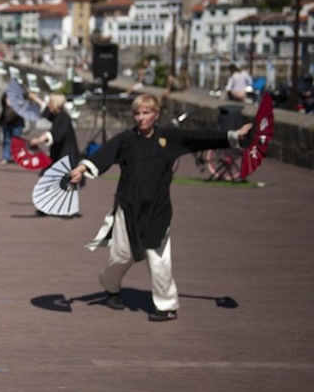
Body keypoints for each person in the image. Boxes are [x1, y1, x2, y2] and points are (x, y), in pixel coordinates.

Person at [68, 93, 252, 322]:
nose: (141, 118)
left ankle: (166, 306)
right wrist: (82, 169)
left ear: (156, 115)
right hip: (128, 207)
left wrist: (234, 136)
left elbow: (200, 138)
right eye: (137, 113)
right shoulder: (126, 140)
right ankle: (110, 287)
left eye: (146, 113)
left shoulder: (169, 138)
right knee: (122, 256)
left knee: (159, 258)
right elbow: (103, 155)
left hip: (158, 210)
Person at [28, 92, 80, 168]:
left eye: (50, 102)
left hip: (66, 158)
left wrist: (39, 140)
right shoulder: (58, 115)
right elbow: (45, 109)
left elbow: (57, 134)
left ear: (56, 104)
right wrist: (35, 99)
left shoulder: (64, 118)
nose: (49, 105)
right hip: (60, 156)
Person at [0, 91, 25, 165]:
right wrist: (6, 102)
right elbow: (3, 105)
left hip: (17, 122)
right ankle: (5, 157)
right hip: (7, 122)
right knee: (7, 140)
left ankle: (17, 158)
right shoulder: (5, 95)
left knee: (16, 141)